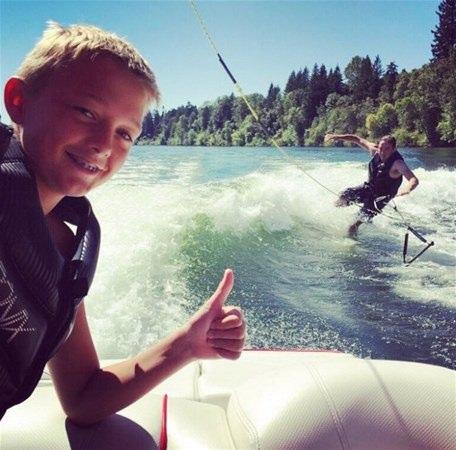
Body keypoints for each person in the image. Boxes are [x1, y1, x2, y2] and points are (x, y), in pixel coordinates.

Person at [0, 22, 245, 424]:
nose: (103, 144)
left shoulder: (58, 253)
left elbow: (82, 397)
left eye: (125, 134)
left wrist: (186, 345)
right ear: (18, 100)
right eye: (86, 112)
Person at [325, 133, 419, 236]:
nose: (382, 152)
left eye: (387, 149)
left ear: (394, 149)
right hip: (369, 188)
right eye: (381, 148)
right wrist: (337, 136)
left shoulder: (398, 163)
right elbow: (357, 139)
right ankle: (328, 215)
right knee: (344, 195)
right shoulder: (375, 151)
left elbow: (413, 180)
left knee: (353, 225)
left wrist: (407, 189)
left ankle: (350, 242)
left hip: (380, 198)